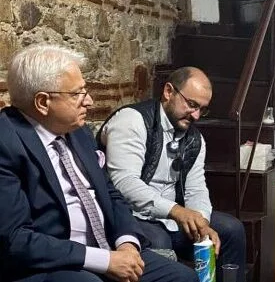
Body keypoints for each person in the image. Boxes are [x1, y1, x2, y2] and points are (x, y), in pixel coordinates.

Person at [0, 44, 196, 282]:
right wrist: (104, 261)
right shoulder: (6, 143)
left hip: (108, 248)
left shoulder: (77, 131)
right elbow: (15, 239)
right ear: (43, 102)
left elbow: (110, 193)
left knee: (182, 277)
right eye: (77, 94)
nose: (89, 101)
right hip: (53, 264)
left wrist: (127, 243)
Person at [99, 67, 246, 281]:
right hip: (130, 216)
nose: (196, 115)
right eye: (192, 104)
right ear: (169, 92)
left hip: (172, 218)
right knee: (159, 241)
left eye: (202, 109)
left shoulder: (195, 139)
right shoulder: (132, 120)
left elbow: (196, 188)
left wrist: (201, 221)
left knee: (231, 229)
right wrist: (176, 211)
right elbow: (125, 183)